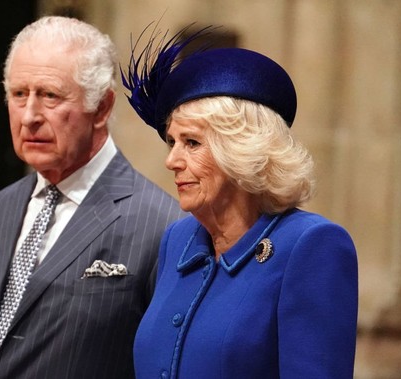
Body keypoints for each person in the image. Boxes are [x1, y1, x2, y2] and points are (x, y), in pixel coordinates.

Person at [0, 16, 184, 379]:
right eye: (18, 94)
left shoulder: (162, 224)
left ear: (102, 108)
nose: (29, 116)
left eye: (49, 96)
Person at [122, 26, 358, 378]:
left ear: (242, 150)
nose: (172, 160)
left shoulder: (311, 245)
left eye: (192, 143)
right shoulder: (178, 240)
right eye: (172, 142)